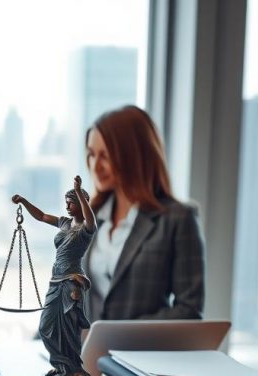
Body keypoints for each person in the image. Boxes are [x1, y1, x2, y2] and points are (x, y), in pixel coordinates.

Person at [83, 105, 205, 321]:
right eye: (91, 155)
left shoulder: (177, 219)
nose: (95, 166)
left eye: (105, 156)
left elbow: (189, 310)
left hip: (139, 353)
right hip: (84, 353)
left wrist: (125, 335)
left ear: (132, 155)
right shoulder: (90, 217)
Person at [12, 177, 96, 376]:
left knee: (69, 329)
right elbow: (40, 216)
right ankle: (61, 367)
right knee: (46, 327)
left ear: (81, 203)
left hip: (71, 283)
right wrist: (24, 201)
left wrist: (79, 192)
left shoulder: (86, 229)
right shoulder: (63, 223)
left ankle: (74, 369)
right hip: (55, 281)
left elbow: (91, 219)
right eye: (66, 202)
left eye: (71, 202)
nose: (67, 206)